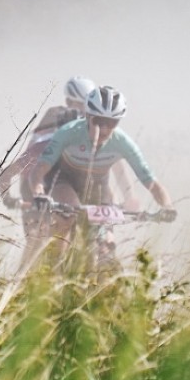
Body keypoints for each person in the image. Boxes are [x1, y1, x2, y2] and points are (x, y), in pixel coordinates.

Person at [27, 85, 176, 256]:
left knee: (107, 244)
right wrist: (39, 194)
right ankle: (52, 270)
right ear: (88, 116)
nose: (105, 129)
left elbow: (151, 182)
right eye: (99, 121)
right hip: (64, 181)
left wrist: (167, 206)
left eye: (112, 122)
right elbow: (39, 171)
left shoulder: (122, 142)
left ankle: (104, 267)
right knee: (69, 216)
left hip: (98, 187)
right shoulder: (68, 132)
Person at [0, 76, 95, 210]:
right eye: (82, 105)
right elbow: (6, 174)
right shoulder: (43, 148)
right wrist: (8, 200)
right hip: (31, 183)